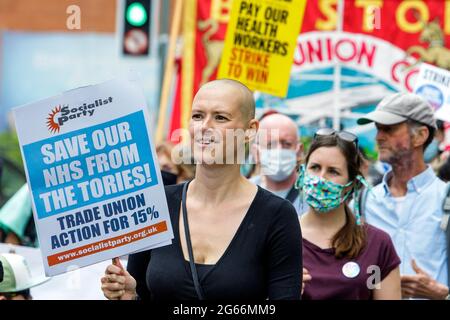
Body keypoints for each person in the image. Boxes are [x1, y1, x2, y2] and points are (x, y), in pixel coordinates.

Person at [101, 79, 302, 300]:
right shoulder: (158, 204)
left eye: (220, 117)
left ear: (250, 130)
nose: (205, 126)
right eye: (197, 116)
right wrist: (129, 297)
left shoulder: (276, 215)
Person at [357, 92, 450, 300]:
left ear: (420, 135)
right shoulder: (365, 201)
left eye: (389, 129)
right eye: (378, 129)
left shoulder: (445, 199)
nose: (378, 137)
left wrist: (443, 295)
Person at [298, 128, 401, 299]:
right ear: (303, 172)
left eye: (333, 171)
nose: (321, 178)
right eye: (315, 168)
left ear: (351, 184)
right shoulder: (278, 238)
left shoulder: (377, 245)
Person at [250, 113, 304, 214]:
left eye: (287, 143)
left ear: (299, 151)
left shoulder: (312, 197)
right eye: (270, 144)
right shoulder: (243, 194)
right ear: (256, 152)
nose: (279, 150)